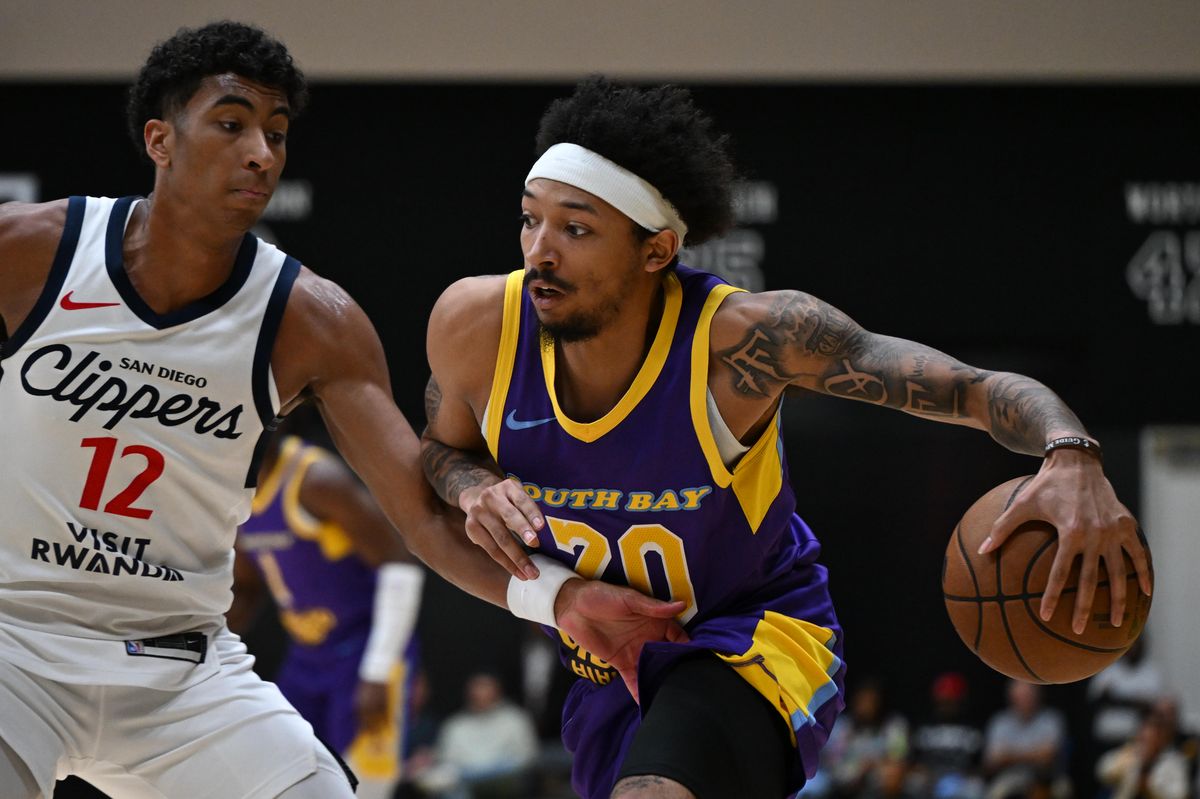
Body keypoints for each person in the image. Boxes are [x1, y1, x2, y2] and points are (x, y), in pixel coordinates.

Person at [419, 76, 1153, 799]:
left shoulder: (746, 344)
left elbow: (973, 388)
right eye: (529, 218)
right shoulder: (478, 325)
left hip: (753, 634)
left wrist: (1071, 450)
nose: (539, 250)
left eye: (575, 228)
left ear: (657, 250)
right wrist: (469, 481)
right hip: (604, 665)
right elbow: (437, 451)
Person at [0, 23, 674, 799]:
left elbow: (420, 518)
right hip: (18, 644)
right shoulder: (33, 252)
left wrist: (559, 598)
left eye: (277, 133)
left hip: (176, 671)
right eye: (232, 123)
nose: (262, 151)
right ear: (160, 138)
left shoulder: (309, 319)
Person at [229, 413, 425, 799]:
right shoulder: (235, 493)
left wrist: (379, 668)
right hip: (307, 658)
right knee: (287, 780)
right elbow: (247, 589)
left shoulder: (316, 479)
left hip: (365, 651)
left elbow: (400, 563)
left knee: (366, 789)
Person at [981, 680, 1067, 799]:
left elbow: (1049, 756)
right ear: (1011, 697)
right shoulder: (1000, 721)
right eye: (1021, 696)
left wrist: (1010, 754)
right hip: (1010, 776)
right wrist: (1034, 754)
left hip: (1046, 776)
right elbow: (992, 761)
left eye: (1029, 695)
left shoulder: (1051, 718)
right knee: (994, 793)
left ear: (1038, 696)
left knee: (1063, 789)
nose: (1026, 700)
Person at [1096, 712, 1190, 799]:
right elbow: (1103, 773)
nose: (1147, 744)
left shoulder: (1175, 762)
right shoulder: (1129, 754)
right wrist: (1122, 762)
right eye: (1144, 739)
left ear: (1163, 740)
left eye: (1153, 739)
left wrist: (1149, 790)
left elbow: (1180, 795)